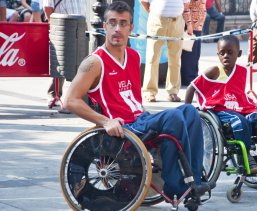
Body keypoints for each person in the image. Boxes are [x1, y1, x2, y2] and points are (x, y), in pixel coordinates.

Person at [64, 1, 215, 200]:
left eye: (123, 23)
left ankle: (193, 180)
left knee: (189, 112)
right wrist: (105, 121)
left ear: (131, 28)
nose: (117, 28)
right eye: (112, 22)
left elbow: (134, 99)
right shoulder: (94, 62)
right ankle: (175, 185)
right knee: (174, 118)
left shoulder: (133, 57)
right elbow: (70, 101)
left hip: (140, 120)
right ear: (104, 26)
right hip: (124, 128)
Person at [185, 35, 257, 175]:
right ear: (217, 54)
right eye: (222, 53)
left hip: (239, 107)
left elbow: (238, 94)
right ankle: (245, 157)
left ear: (239, 54)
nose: (225, 56)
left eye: (230, 52)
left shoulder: (241, 72)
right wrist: (187, 110)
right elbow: (191, 88)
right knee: (239, 121)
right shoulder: (214, 71)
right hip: (220, 109)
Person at [140, 0, 189, 102]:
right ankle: (149, 92)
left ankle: (173, 92)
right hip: (157, 20)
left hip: (177, 21)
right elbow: (143, 2)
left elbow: (185, 4)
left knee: (175, 59)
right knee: (152, 57)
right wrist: (155, 13)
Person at [43, 0, 87, 109]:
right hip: (63, 26)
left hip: (80, 24)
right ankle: (54, 94)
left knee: (81, 60)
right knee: (61, 62)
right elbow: (47, 7)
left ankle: (76, 96)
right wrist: (54, 25)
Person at [180, 0, 206, 87]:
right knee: (189, 53)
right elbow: (186, 6)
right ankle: (188, 78)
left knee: (195, 53)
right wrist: (189, 24)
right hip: (191, 24)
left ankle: (193, 75)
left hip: (197, 23)